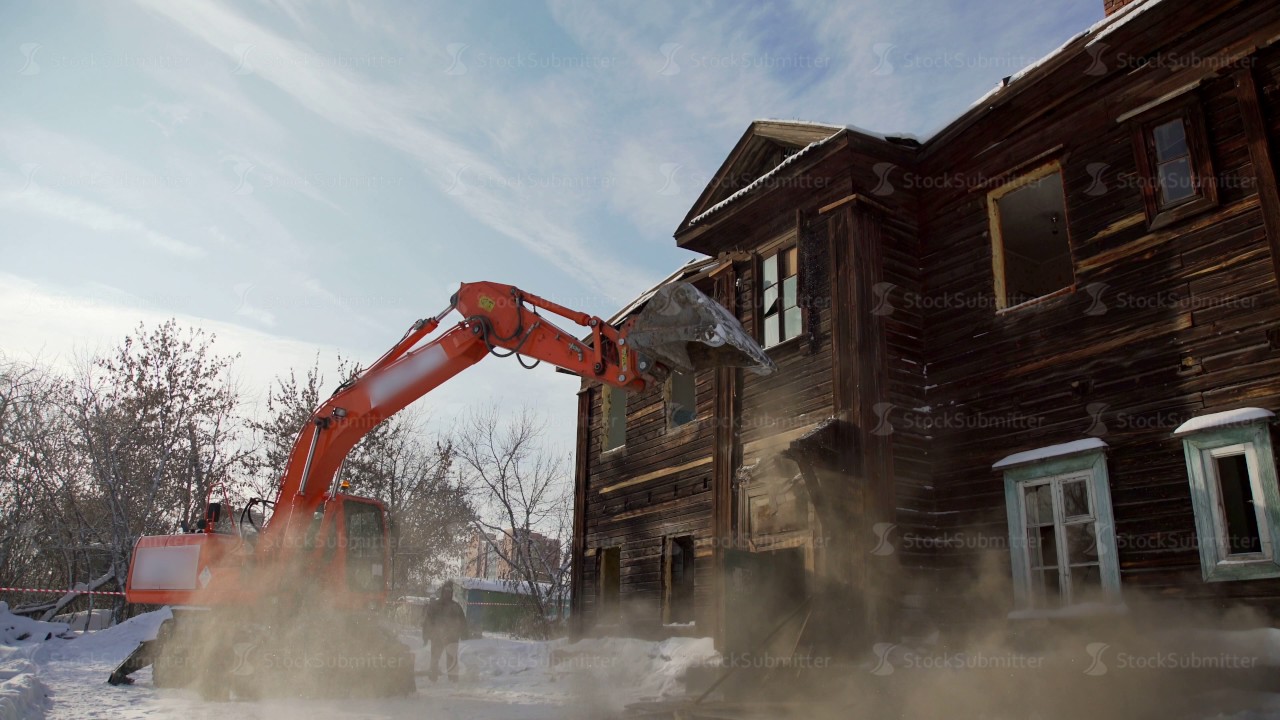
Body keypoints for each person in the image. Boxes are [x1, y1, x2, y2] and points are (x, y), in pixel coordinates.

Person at [422, 581, 468, 682]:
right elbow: (427, 621)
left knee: (452, 658)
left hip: (452, 637)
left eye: (449, 591)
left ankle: (453, 679)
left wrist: (464, 633)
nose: (448, 593)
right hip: (437, 636)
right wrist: (425, 636)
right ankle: (433, 677)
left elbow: (462, 621)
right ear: (442, 592)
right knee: (435, 658)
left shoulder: (455, 606)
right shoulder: (434, 605)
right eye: (446, 591)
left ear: (451, 593)